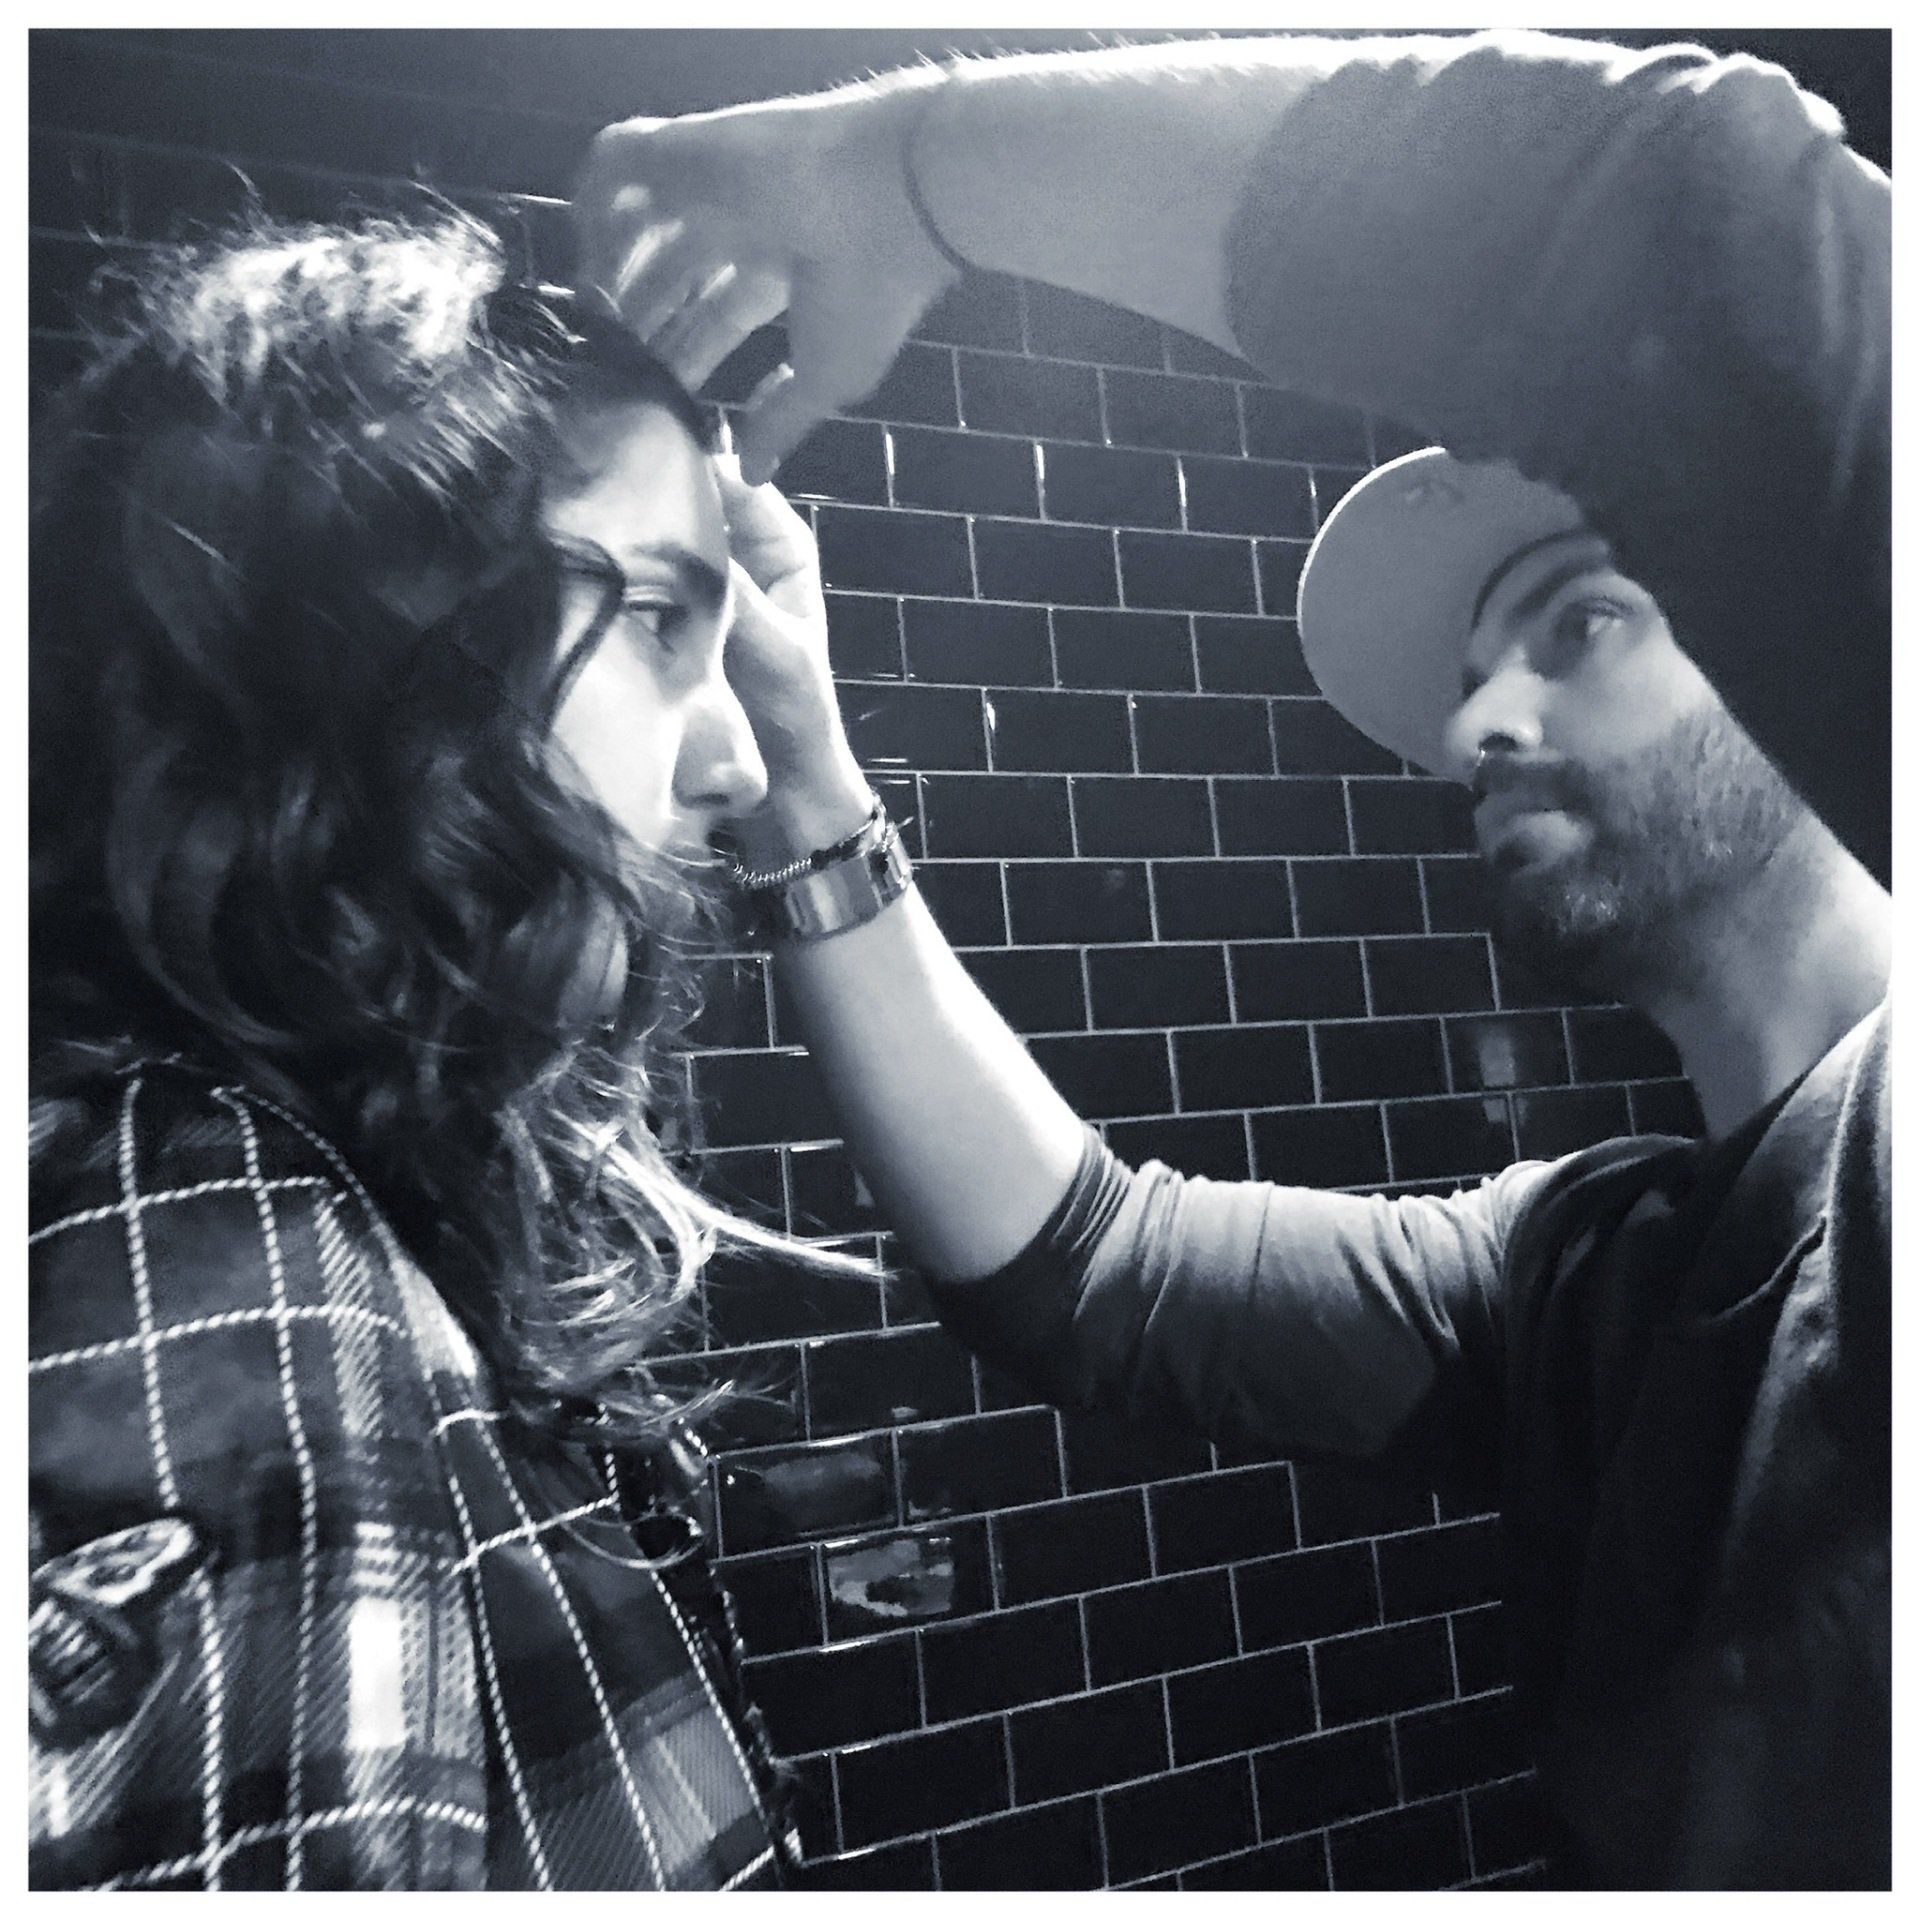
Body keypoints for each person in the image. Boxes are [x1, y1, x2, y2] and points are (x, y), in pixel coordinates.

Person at [571, 28, 1891, 1888]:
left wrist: (910, 177)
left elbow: (1698, 229)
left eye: (1579, 618)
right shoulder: (1594, 1277)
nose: (1480, 721)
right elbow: (1090, 1269)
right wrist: (803, 784)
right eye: (1465, 676)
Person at [27, 211, 874, 1890]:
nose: (732, 764)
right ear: (376, 626)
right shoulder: (240, 1311)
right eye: (650, 619)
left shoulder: (254, 1200)